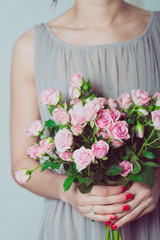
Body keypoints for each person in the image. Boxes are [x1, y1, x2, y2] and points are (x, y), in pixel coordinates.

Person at [10, 0, 160, 239]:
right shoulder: (30, 47)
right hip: (71, 226)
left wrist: (157, 178)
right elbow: (21, 161)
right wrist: (68, 192)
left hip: (149, 221)